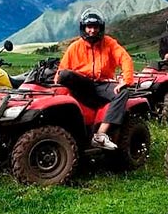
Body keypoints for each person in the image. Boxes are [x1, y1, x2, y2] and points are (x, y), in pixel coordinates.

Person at [55, 8, 135, 150]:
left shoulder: (109, 43)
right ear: (84, 28)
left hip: (101, 85)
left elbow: (125, 59)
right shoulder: (75, 47)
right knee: (65, 75)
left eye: (95, 27)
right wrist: (56, 88)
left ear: (100, 28)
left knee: (123, 92)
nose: (92, 30)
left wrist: (126, 79)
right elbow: (62, 70)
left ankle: (100, 135)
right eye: (89, 27)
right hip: (82, 85)